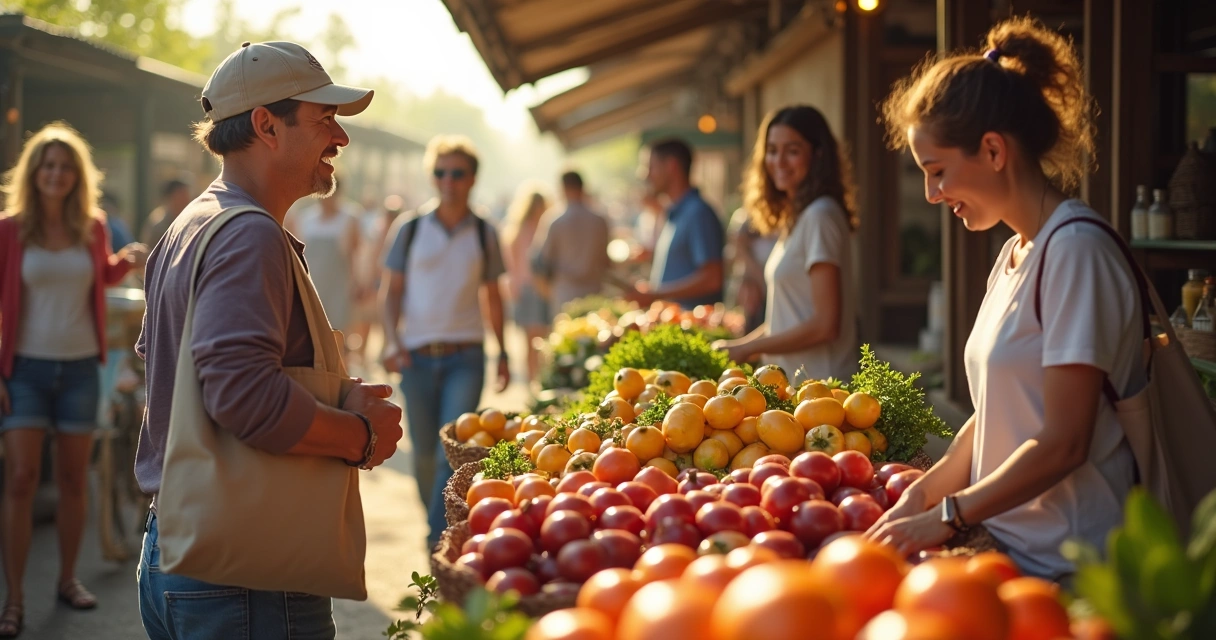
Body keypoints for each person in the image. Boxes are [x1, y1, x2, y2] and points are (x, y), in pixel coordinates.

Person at [135, 41, 403, 639]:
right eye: (324, 118)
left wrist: (330, 394)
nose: (341, 138)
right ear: (266, 126)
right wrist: (357, 434)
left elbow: (181, 375)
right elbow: (242, 396)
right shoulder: (248, 235)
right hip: (246, 578)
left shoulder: (192, 226)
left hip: (185, 550)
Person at [865, 17, 1144, 582]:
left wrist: (949, 514)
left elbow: (1065, 442)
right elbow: (994, 417)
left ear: (993, 150)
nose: (931, 194)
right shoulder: (1016, 252)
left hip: (1073, 568)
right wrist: (919, 496)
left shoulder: (1076, 253)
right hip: (1011, 552)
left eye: (937, 171)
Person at [0, 122, 148, 636]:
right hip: (23, 371)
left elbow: (92, 276)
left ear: (76, 175)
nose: (56, 174)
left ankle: (66, 579)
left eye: (65, 166)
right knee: (19, 480)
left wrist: (120, 265)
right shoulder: (9, 229)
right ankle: (13, 598)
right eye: (48, 165)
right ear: (34, 172)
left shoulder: (94, 226)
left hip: (84, 369)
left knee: (72, 482)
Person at [380, 135, 510, 550]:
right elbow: (392, 291)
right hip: (416, 356)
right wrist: (391, 340)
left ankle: (438, 539)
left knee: (448, 454)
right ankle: (434, 520)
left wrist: (504, 350)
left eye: (457, 173)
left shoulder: (486, 233)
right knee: (421, 454)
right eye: (441, 173)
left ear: (472, 179)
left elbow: (493, 296)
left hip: (466, 357)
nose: (448, 181)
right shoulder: (411, 229)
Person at [714, 106, 859, 383]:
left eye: (792, 151)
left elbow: (825, 325)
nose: (778, 161)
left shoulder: (820, 215)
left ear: (817, 155)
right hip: (796, 388)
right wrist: (739, 346)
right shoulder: (798, 217)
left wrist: (748, 348)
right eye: (771, 150)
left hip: (822, 391)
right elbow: (788, 319)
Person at [626, 139, 724, 309]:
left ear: (671, 166)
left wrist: (655, 294)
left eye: (651, 167)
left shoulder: (698, 213)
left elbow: (712, 279)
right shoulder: (676, 212)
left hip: (693, 327)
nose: (646, 175)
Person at [286, 178, 363, 342]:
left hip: (339, 288)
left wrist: (357, 282)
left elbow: (356, 254)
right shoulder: (306, 219)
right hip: (313, 286)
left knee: (338, 336)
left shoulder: (350, 218)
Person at [532, 171, 611, 320]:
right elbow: (605, 261)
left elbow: (542, 261)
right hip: (595, 292)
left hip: (565, 294)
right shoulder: (599, 220)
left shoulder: (554, 221)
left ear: (562, 188)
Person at [500, 182, 550, 385]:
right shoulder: (525, 229)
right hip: (529, 289)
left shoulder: (536, 228)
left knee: (538, 340)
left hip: (537, 289)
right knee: (532, 340)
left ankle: (536, 379)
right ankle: (532, 380)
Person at [726, 206, 778, 335]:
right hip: (750, 286)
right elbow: (739, 249)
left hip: (767, 289)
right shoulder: (745, 217)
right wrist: (761, 280)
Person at [140, 179, 193, 246]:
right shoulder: (159, 224)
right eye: (182, 195)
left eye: (187, 195)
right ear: (171, 197)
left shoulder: (190, 220)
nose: (186, 199)